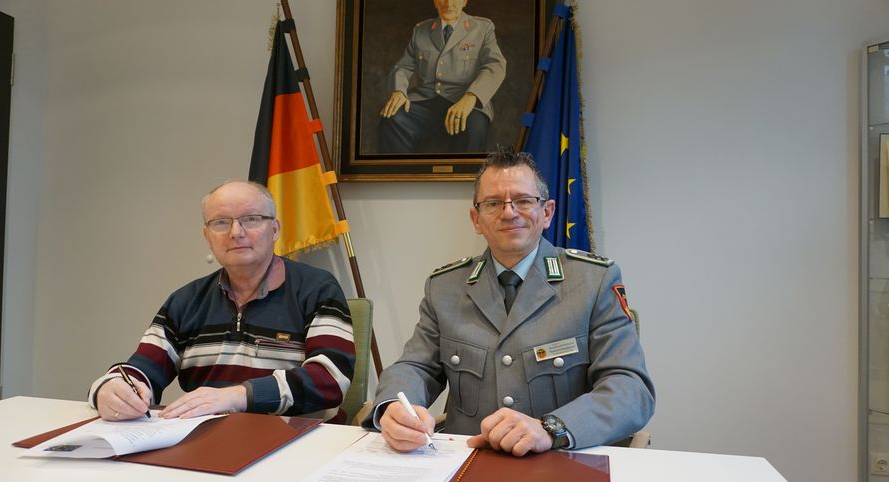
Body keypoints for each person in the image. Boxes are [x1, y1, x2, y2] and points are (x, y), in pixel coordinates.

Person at [363, 147, 655, 456]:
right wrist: (394, 406)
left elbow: (630, 389)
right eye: (493, 203)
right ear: (476, 219)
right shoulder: (445, 287)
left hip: (560, 463)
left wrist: (551, 429)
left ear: (547, 213)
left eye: (524, 200)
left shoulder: (593, 282)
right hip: (467, 463)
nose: (509, 212)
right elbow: (415, 366)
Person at [88, 180, 355, 422]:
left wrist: (237, 396)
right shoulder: (186, 301)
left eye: (251, 219)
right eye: (221, 223)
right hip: (206, 438)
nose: (236, 232)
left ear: (274, 229)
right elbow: (142, 369)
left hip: (300, 442)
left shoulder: (316, 289)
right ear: (207, 237)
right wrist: (111, 388)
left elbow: (329, 380)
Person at [378, 0, 506, 153]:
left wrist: (471, 97)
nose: (448, 3)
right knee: (392, 119)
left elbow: (495, 65)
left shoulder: (482, 28)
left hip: (464, 100)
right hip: (425, 102)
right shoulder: (421, 30)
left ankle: (467, 178)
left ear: (464, 1)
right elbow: (403, 67)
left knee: (474, 126)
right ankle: (403, 175)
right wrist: (398, 91)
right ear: (435, 2)